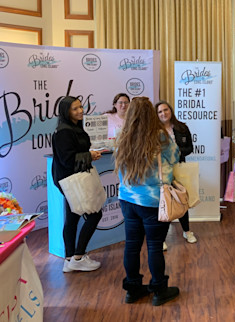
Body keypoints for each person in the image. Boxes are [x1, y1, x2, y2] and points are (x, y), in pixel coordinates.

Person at [115, 97, 180, 306]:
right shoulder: (160, 137)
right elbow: (175, 157)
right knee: (154, 246)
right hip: (153, 201)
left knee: (132, 246)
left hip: (127, 199)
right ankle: (159, 290)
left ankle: (132, 290)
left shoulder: (122, 136)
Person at [52, 96, 103, 273]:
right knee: (94, 214)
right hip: (71, 180)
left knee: (72, 218)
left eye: (80, 107)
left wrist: (88, 154)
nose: (80, 111)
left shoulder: (74, 128)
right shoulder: (63, 132)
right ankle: (78, 257)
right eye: (75, 108)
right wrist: (90, 156)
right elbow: (67, 159)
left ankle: (69, 259)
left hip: (74, 179)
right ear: (66, 111)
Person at [156, 101, 196, 249]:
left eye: (165, 110)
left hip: (180, 168)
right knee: (165, 201)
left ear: (171, 110)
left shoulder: (182, 127)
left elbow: (190, 148)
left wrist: (176, 152)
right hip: (162, 172)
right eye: (160, 112)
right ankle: (161, 238)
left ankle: (187, 231)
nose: (163, 113)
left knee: (181, 198)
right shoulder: (154, 131)